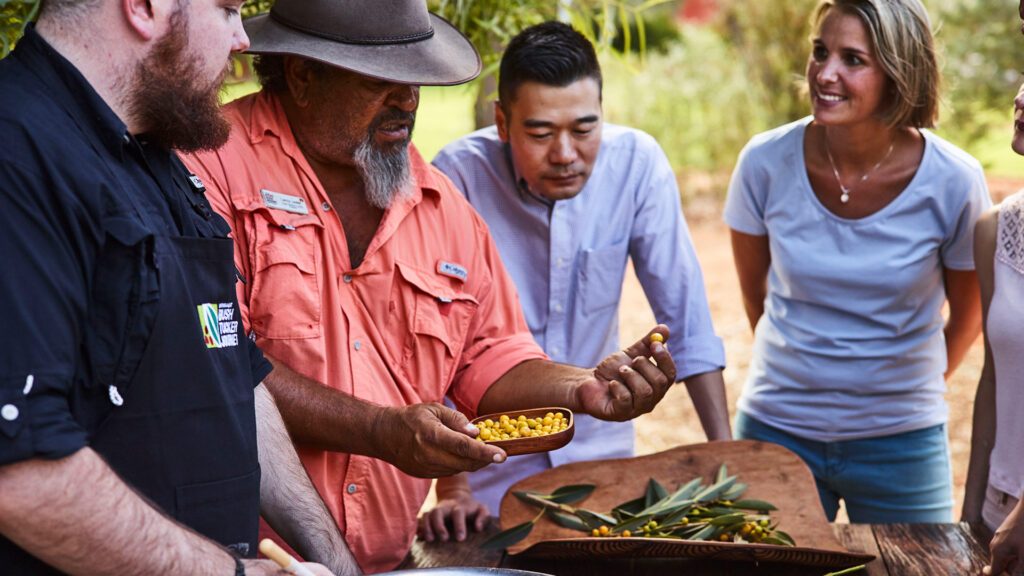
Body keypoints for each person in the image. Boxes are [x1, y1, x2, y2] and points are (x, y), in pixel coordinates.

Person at [182, 0, 679, 572]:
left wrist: (583, 386)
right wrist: (378, 430)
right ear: (302, 74)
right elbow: (221, 363)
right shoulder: (210, 167)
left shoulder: (444, 209)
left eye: (415, 78)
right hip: (238, 557)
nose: (408, 98)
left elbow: (491, 357)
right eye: (381, 80)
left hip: (385, 559)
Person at [0, 0, 359, 575]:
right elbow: (18, 469)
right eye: (228, 10)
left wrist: (335, 558)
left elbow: (233, 373)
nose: (244, 39)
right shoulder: (18, 154)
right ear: (144, 7)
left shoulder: (156, 153)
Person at [418, 21, 730, 543]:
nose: (565, 153)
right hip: (490, 466)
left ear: (603, 114)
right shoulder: (457, 177)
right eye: (540, 133)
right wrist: (454, 491)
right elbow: (437, 346)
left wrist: (725, 455)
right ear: (501, 122)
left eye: (585, 130)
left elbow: (686, 317)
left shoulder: (638, 165)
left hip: (602, 459)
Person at [724, 0, 989, 523]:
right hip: (776, 431)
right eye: (820, 52)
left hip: (903, 441)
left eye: (853, 59)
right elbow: (755, 297)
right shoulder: (764, 161)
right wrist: (804, 377)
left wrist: (906, 390)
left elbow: (970, 313)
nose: (826, 74)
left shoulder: (955, 180)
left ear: (899, 70)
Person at [963, 19, 1024, 573]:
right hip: (994, 514)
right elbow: (992, 380)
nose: (1022, 96)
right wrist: (969, 519)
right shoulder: (995, 231)